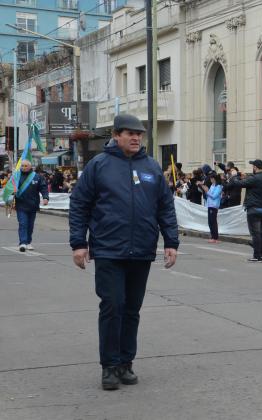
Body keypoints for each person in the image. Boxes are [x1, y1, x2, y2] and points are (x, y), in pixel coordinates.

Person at [68, 114, 179, 391]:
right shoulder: (99, 166)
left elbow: (165, 207)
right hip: (108, 250)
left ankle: (126, 363)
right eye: (130, 133)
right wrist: (78, 244)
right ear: (116, 134)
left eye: (139, 134)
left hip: (141, 250)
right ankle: (109, 366)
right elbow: (79, 204)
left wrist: (171, 242)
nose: (136, 138)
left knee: (132, 310)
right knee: (112, 306)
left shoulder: (152, 167)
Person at [227, 159, 262, 262]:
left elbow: (238, 184)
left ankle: (257, 255)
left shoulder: (254, 178)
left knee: (256, 233)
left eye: (253, 166)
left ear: (255, 167)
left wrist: (234, 176)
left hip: (254, 209)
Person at [12, 160, 49, 251]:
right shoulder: (16, 176)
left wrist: (45, 198)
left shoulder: (37, 177)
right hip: (21, 205)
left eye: (25, 166)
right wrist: (13, 191)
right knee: (23, 223)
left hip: (33, 205)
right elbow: (9, 188)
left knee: (30, 225)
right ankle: (23, 243)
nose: (23, 167)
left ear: (30, 167)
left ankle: (28, 242)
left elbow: (43, 187)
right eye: (22, 166)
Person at [199, 172, 223, 243]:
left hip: (214, 206)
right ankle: (213, 236)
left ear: (215, 179)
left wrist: (207, 191)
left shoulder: (219, 187)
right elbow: (209, 195)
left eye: (212, 179)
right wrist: (206, 190)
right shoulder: (212, 185)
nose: (211, 180)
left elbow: (214, 196)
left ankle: (215, 237)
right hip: (209, 205)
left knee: (213, 221)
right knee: (210, 222)